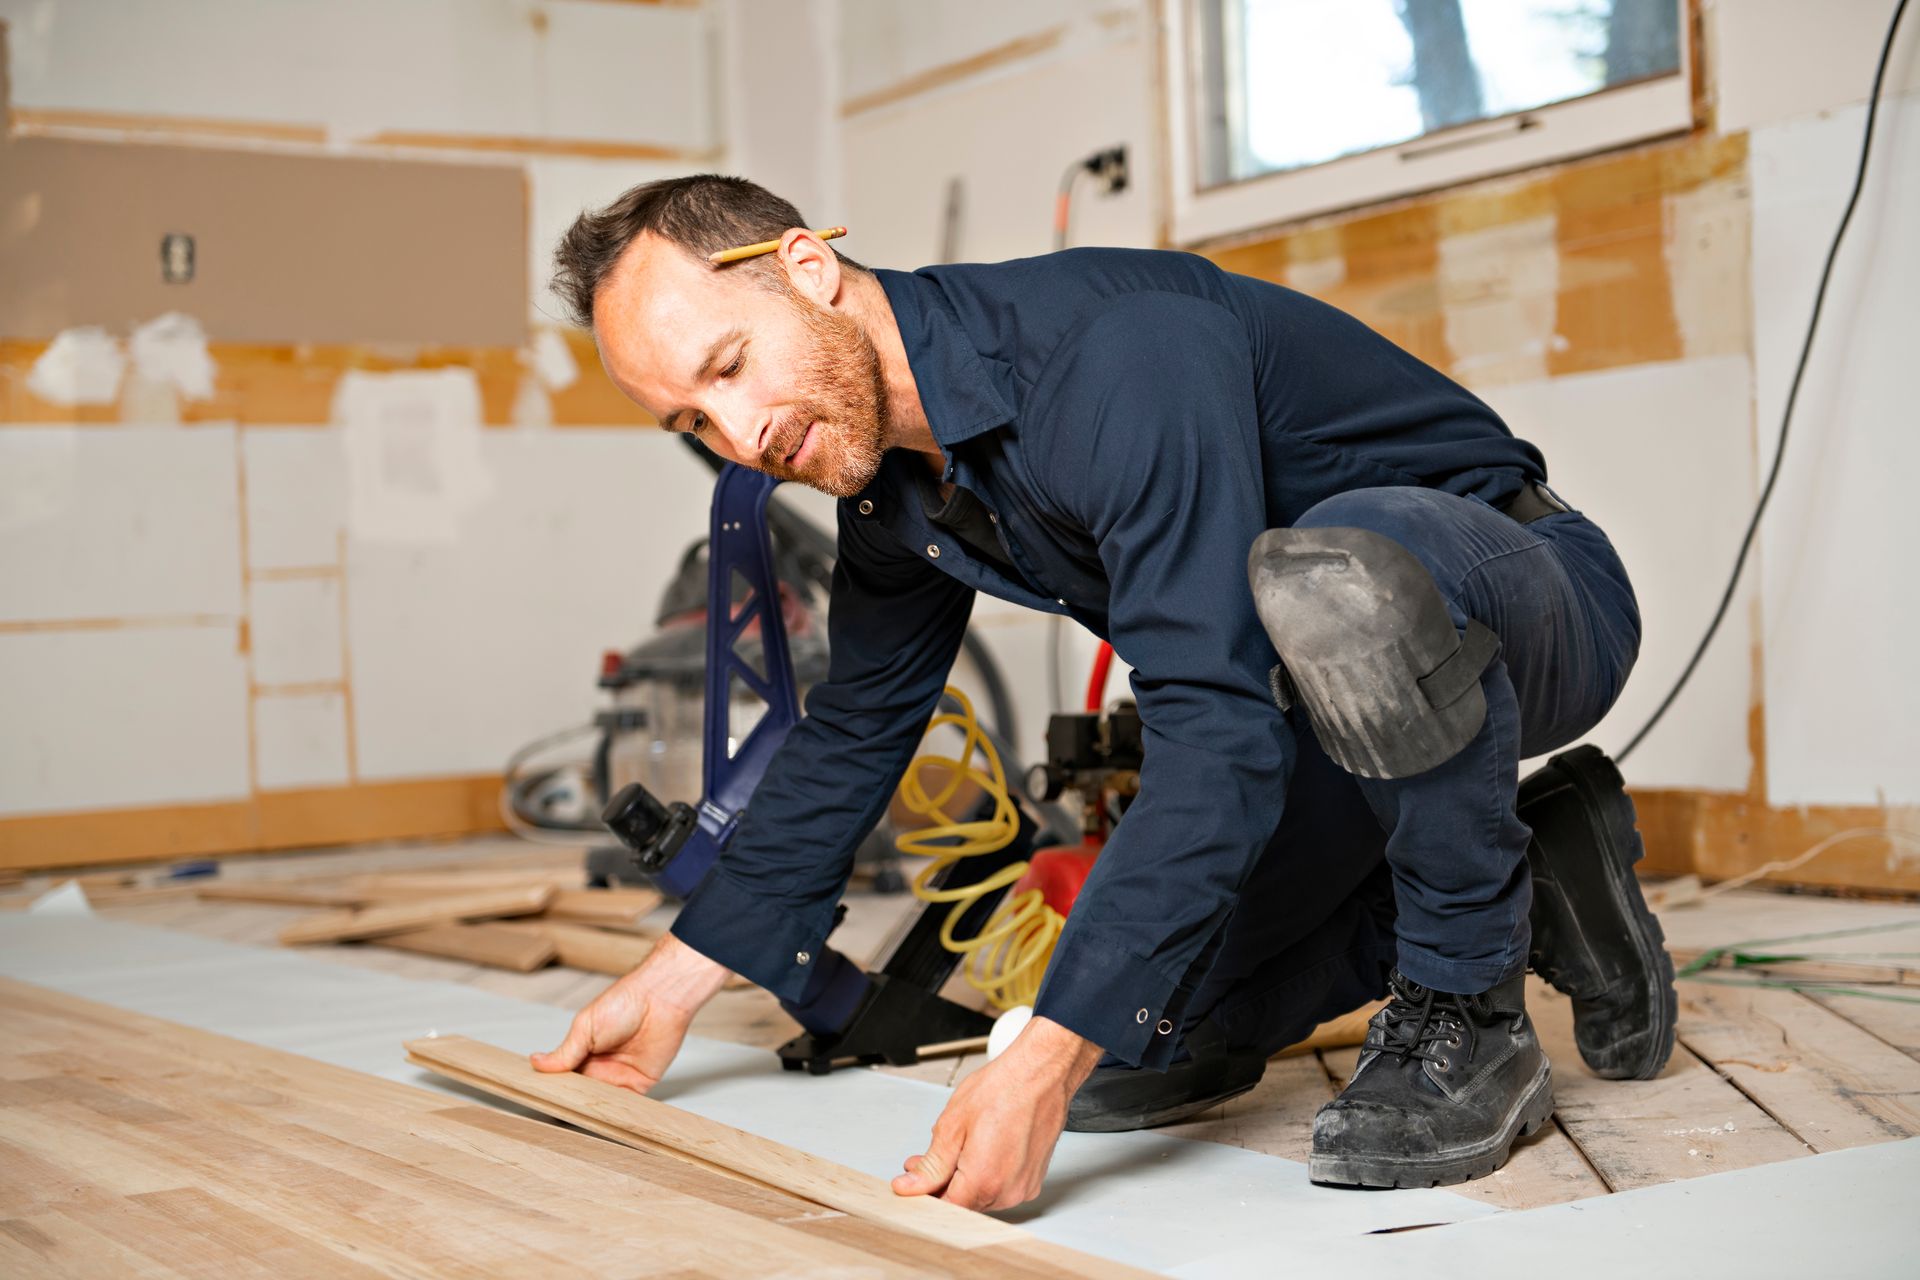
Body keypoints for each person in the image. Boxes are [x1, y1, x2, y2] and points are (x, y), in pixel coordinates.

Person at [531, 175, 1676, 1210]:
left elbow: (1214, 729)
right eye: (693, 422)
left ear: (809, 268)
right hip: (1322, 705)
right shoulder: (894, 488)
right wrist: (679, 974)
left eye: (728, 369)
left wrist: (1040, 1056)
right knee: (1161, 1016)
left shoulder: (1115, 357)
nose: (742, 438)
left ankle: (1467, 1003)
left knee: (1335, 567)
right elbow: (857, 728)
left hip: (1524, 596)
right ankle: (1543, 865)